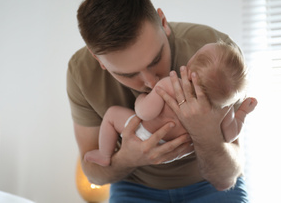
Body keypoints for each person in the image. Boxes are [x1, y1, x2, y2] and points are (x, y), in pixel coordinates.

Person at [67, 0, 257, 202]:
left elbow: (226, 179)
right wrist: (128, 159)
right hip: (134, 187)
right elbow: (93, 174)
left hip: (208, 184)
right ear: (96, 58)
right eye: (128, 75)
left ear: (163, 22)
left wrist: (206, 135)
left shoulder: (215, 55)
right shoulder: (81, 72)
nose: (150, 82)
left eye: (156, 59)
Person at [84, 41, 255, 167]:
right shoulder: (221, 110)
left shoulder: (169, 86)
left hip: (145, 136)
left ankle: (104, 154)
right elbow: (229, 135)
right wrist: (241, 114)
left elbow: (144, 113)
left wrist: (141, 99)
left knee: (112, 115)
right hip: (179, 148)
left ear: (188, 67)